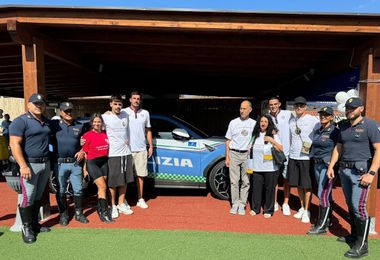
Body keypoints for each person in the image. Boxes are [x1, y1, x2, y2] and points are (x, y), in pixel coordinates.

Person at [327, 97, 380, 258]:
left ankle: (363, 246)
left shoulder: (370, 125)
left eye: (353, 108)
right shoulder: (343, 126)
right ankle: (354, 236)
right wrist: (331, 166)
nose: (349, 110)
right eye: (347, 108)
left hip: (360, 172)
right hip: (345, 170)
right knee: (350, 205)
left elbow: (379, 150)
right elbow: (339, 147)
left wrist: (371, 173)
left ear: (361, 109)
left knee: (359, 208)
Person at [9, 93, 51, 244]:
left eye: (41, 103)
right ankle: (26, 228)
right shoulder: (20, 121)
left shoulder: (46, 122)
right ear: (29, 105)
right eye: (35, 103)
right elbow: (14, 144)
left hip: (45, 164)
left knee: (38, 195)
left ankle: (34, 224)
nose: (39, 106)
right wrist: (23, 165)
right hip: (30, 165)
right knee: (29, 196)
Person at [50, 102, 88, 226]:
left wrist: (83, 150)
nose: (69, 113)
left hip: (75, 163)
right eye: (66, 111)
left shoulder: (80, 126)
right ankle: (63, 214)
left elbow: (87, 141)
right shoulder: (54, 124)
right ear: (60, 112)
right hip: (59, 163)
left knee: (78, 190)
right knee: (60, 190)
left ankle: (79, 214)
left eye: (71, 110)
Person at [307, 106, 339, 235]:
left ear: (331, 117)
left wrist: (333, 166)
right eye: (321, 115)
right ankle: (327, 220)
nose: (323, 117)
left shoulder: (335, 131)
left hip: (327, 167)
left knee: (322, 194)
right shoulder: (318, 130)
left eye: (326, 115)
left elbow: (339, 149)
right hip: (317, 165)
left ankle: (322, 226)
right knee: (326, 194)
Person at [288, 96, 319, 223]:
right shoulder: (291, 120)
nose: (299, 107)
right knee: (298, 185)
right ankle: (301, 207)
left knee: (307, 185)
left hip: (306, 157)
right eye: (296, 106)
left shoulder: (313, 120)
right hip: (293, 156)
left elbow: (321, 132)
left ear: (306, 107)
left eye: (301, 105)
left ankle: (307, 210)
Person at [102, 95, 134, 218]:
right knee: (113, 181)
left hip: (126, 152)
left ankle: (121, 203)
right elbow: (98, 130)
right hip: (113, 154)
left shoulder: (125, 115)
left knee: (124, 180)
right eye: (115, 104)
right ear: (110, 104)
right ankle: (113, 205)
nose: (118, 106)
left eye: (120, 104)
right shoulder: (105, 117)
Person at [123, 91, 153, 209]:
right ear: (130, 100)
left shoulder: (145, 113)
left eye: (138, 98)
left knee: (140, 176)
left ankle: (140, 199)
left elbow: (148, 130)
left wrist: (150, 145)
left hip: (141, 149)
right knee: (125, 177)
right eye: (134, 98)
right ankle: (123, 200)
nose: (136, 100)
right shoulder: (124, 111)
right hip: (126, 150)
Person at [225, 100, 256, 215]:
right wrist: (227, 157)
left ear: (250, 110)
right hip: (234, 154)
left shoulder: (254, 123)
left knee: (246, 181)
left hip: (247, 156)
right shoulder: (233, 122)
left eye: (244, 108)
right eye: (241, 108)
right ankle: (235, 204)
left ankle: (242, 204)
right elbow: (228, 140)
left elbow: (256, 139)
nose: (242, 111)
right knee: (234, 181)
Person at [249, 114, 283, 218]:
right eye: (261, 121)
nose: (263, 123)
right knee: (256, 189)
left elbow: (281, 149)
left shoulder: (274, 135)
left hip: (270, 168)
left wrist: (272, 140)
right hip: (256, 167)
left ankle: (268, 210)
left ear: (269, 124)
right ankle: (255, 208)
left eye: (265, 122)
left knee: (270, 189)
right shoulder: (254, 135)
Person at [82, 113, 113, 223]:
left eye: (99, 122)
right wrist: (84, 169)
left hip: (104, 162)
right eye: (94, 122)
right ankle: (105, 213)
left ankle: (100, 210)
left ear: (102, 123)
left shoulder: (105, 134)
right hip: (93, 163)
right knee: (103, 187)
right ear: (91, 123)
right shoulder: (87, 136)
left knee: (102, 188)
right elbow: (85, 153)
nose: (97, 123)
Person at [267, 96, 293, 215]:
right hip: (273, 153)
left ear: (279, 104)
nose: (273, 106)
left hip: (287, 152)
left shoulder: (287, 114)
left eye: (275, 104)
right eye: (271, 104)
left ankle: (286, 203)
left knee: (286, 179)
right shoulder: (267, 117)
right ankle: (275, 202)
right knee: (274, 179)